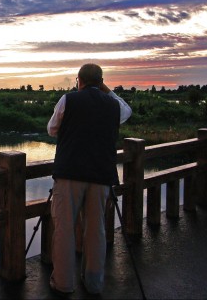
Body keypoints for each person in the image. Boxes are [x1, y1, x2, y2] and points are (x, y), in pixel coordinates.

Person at [47, 63, 132, 295]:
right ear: (101, 81)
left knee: (64, 229)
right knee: (96, 230)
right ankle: (94, 283)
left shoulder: (69, 100)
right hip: (101, 175)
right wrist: (105, 89)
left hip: (70, 173)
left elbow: (52, 129)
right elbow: (127, 110)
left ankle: (63, 283)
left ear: (78, 80)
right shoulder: (114, 105)